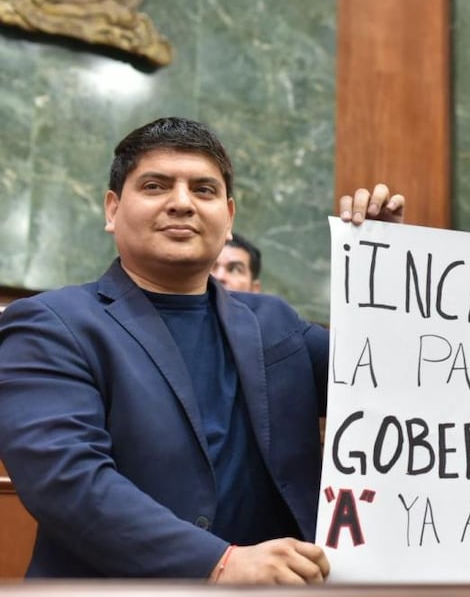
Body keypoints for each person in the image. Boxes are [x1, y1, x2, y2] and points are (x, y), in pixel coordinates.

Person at [0, 117, 404, 583]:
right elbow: (67, 481)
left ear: (229, 218)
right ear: (112, 210)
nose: (181, 203)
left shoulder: (277, 324)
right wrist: (219, 563)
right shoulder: (53, 324)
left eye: (204, 190)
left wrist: (385, 266)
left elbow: (398, 385)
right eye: (155, 186)